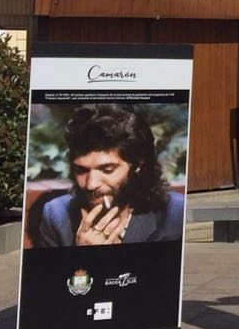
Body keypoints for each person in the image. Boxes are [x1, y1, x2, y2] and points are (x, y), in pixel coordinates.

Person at [32, 103, 185, 248]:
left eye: (107, 169)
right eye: (81, 170)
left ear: (138, 165)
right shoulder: (57, 216)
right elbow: (51, 274)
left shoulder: (175, 214)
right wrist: (81, 256)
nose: (91, 184)